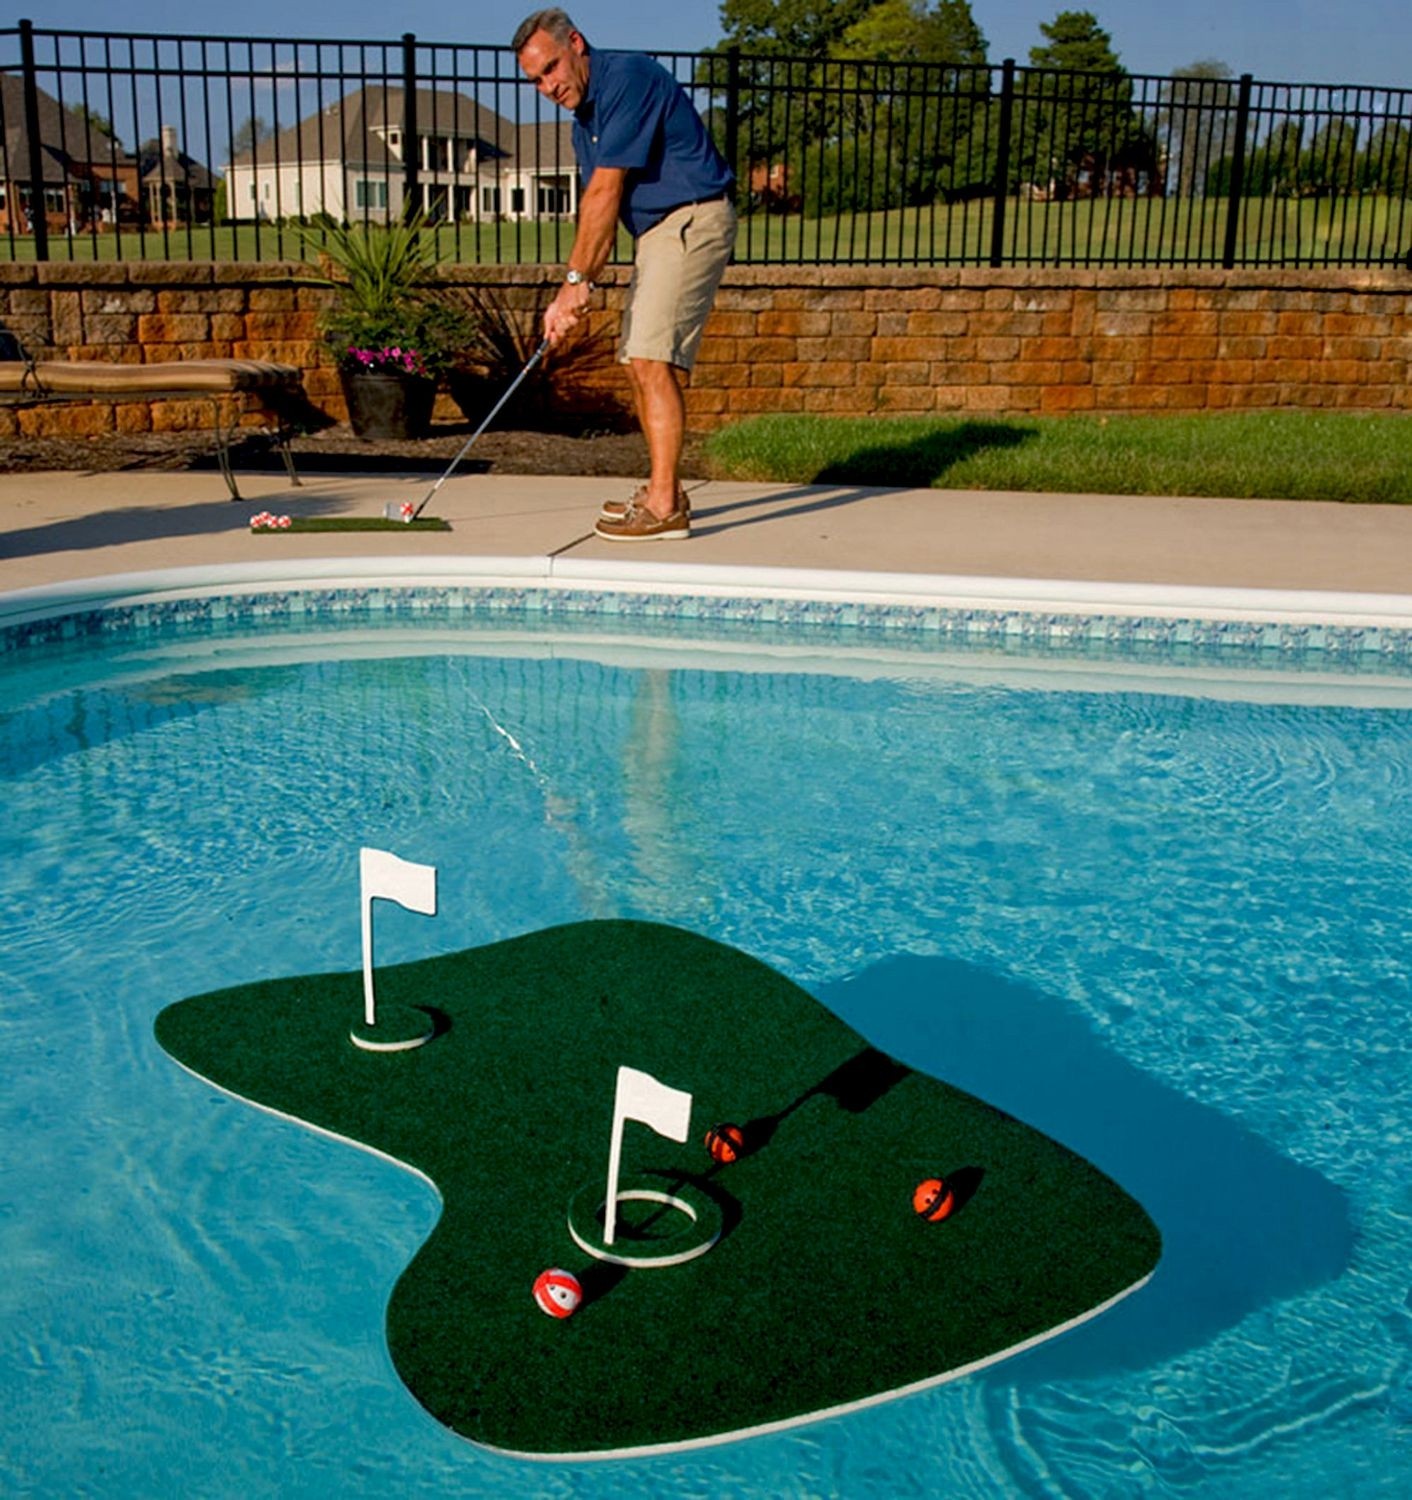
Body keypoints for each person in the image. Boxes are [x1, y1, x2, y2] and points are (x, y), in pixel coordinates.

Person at [513, 8, 736, 541]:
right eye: (536, 80)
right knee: (638, 361)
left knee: (651, 358)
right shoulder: (584, 123)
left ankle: (663, 508)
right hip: (658, 232)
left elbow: (605, 190)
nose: (547, 86)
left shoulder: (628, 80)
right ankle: (666, 490)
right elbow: (601, 214)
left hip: (691, 216)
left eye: (551, 68)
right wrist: (581, 284)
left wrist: (570, 286)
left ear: (576, 44)